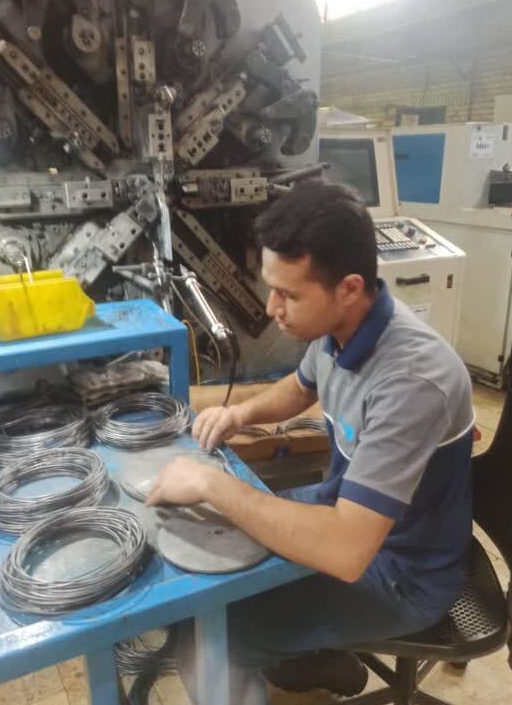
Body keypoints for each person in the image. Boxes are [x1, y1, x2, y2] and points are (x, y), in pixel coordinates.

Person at [146, 181, 474, 705]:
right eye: (272, 288)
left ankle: (293, 650)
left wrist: (211, 483)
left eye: (289, 295)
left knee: (209, 638)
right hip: (345, 515)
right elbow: (302, 387)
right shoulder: (340, 328)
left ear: (349, 288)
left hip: (400, 573)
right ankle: (316, 657)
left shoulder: (412, 380)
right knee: (199, 568)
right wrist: (240, 414)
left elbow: (344, 551)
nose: (271, 307)